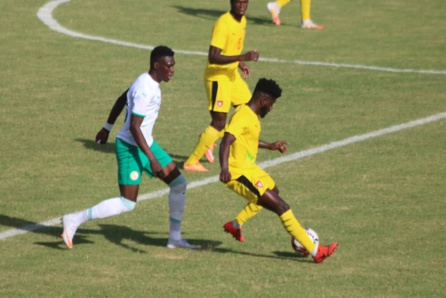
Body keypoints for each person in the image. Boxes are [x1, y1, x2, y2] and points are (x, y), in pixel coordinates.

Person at [61, 45, 196, 250]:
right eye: (169, 66)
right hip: (131, 147)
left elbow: (121, 98)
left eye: (173, 65)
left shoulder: (146, 81)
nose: (172, 70)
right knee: (127, 203)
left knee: (178, 184)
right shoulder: (145, 89)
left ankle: (174, 238)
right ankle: (73, 219)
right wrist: (151, 159)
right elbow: (134, 127)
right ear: (156, 64)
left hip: (145, 142)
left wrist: (106, 127)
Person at [219, 78, 337, 263]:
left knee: (273, 191)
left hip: (250, 169)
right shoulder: (242, 115)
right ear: (263, 100)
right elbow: (227, 140)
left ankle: (236, 224)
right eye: (272, 104)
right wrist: (224, 168)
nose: (272, 108)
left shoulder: (251, 116)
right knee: (282, 207)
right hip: (238, 173)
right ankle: (316, 251)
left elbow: (247, 139)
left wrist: (270, 146)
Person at [183, 0, 260, 172]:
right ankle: (191, 162)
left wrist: (240, 63)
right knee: (219, 122)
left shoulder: (243, 20)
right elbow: (213, 56)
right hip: (218, 77)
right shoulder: (223, 23)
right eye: (238, 2)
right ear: (231, 2)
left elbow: (230, 50)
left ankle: (209, 140)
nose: (242, 5)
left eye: (245, 2)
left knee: (248, 109)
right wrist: (242, 57)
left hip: (231, 75)